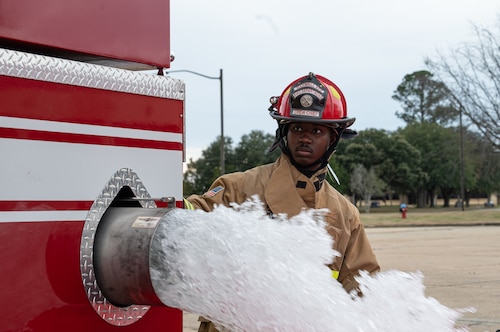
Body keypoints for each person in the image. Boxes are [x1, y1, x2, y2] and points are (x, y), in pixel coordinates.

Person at [186, 72, 380, 332]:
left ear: (333, 138)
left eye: (316, 130)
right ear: (283, 132)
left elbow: (361, 284)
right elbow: (188, 217)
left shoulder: (345, 214)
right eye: (297, 128)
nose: (305, 137)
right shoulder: (238, 187)